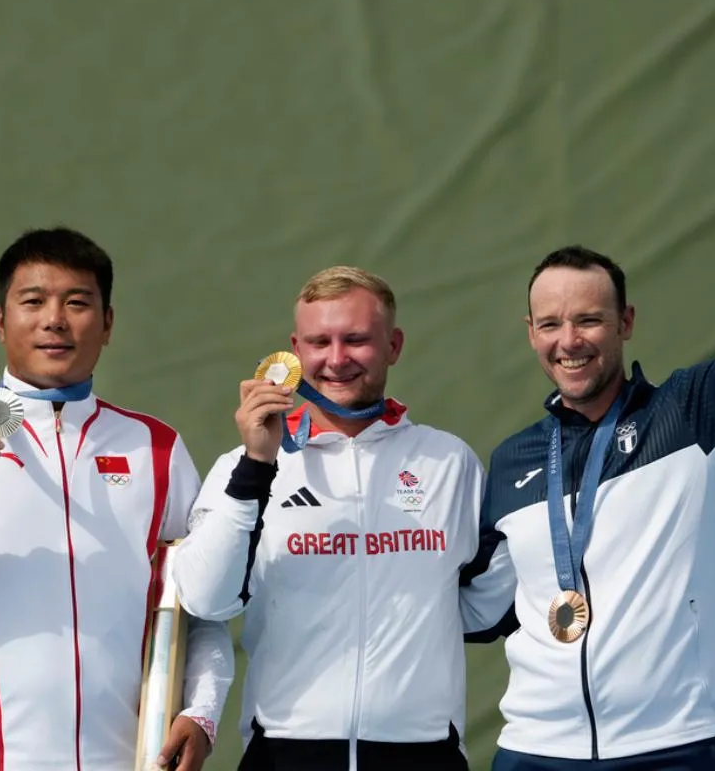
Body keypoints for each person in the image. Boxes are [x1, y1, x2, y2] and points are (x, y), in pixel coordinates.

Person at [458, 103, 715, 770]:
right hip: (534, 754)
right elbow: (476, 612)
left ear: (625, 322)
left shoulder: (693, 417)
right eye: (551, 324)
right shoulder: (514, 462)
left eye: (589, 320)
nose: (570, 342)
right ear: (531, 333)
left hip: (675, 747)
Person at [0, 228, 234, 771]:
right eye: (32, 301)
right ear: (0, 320)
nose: (54, 319)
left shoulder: (157, 448)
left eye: (77, 302)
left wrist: (203, 712)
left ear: (106, 323)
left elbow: (202, 610)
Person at [171, 266, 484, 771]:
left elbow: (480, 601)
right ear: (295, 350)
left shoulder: (449, 463)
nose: (337, 360)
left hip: (423, 752)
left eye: (356, 339)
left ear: (394, 345)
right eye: (319, 342)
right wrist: (258, 465)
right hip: (285, 751)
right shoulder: (242, 466)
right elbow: (206, 598)